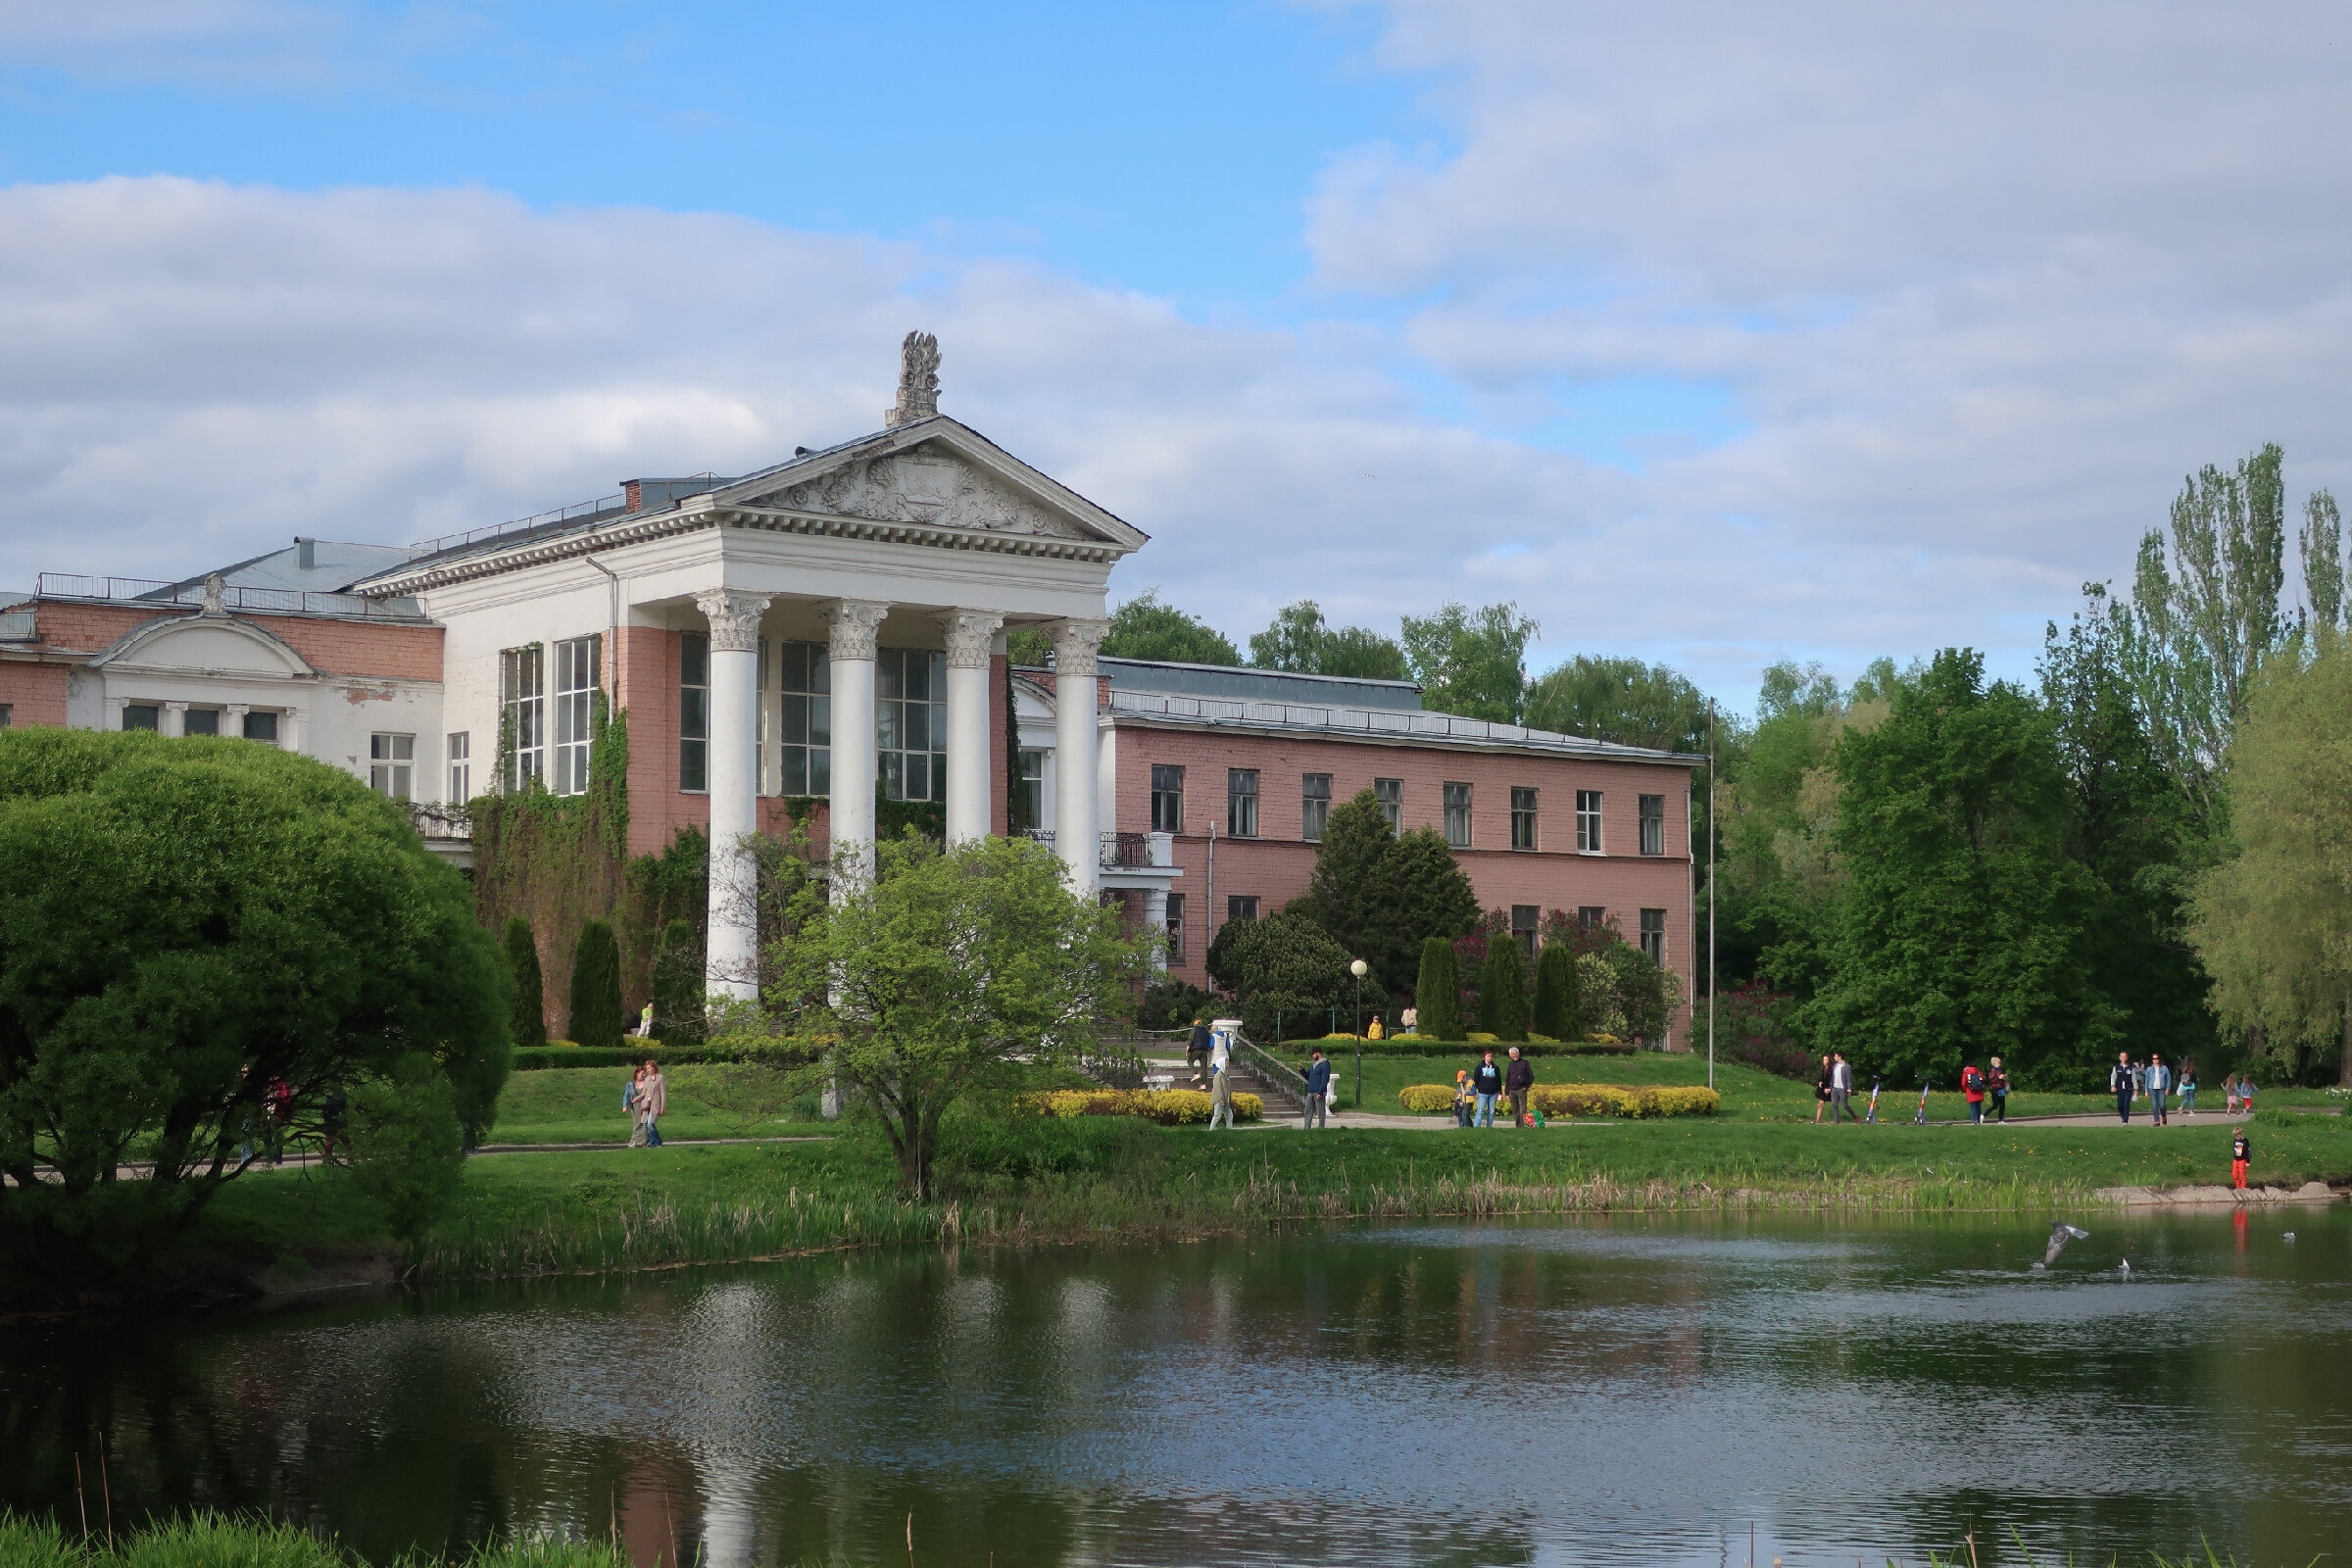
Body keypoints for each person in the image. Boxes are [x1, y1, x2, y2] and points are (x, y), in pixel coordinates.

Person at [1208, 1028, 1235, 1131]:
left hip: (1224, 1099)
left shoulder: (1225, 1074)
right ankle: (1211, 1130)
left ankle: (1229, 1130)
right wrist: (1222, 1100)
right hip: (1220, 1100)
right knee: (1217, 1116)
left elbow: (1210, 1046)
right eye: (1227, 1063)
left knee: (1229, 1115)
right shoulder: (1219, 1075)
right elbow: (1218, 1088)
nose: (1229, 1064)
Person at [639, 1058, 667, 1148]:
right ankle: (655, 1142)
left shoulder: (660, 1077)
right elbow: (644, 1093)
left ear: (654, 1068)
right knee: (647, 1124)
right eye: (647, 1068)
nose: (648, 1070)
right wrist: (637, 1099)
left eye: (650, 1068)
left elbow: (663, 1093)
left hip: (655, 1105)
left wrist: (662, 1106)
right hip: (647, 1106)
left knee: (650, 1123)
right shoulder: (647, 1079)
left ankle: (655, 1142)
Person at [1471, 1050, 1503, 1129]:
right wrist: (1475, 1091)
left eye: (1491, 1056)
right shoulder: (1479, 1067)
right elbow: (1475, 1080)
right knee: (1480, 1110)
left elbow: (1499, 1080)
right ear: (1484, 1057)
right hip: (1482, 1093)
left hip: (1493, 1093)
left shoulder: (1496, 1068)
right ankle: (1476, 1127)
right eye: (1488, 1056)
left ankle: (1489, 1127)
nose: (1489, 1058)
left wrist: (1500, 1092)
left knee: (1491, 1111)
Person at [1504, 1046, 1535, 1128]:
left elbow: (1531, 1076)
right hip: (1512, 1090)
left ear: (1519, 1053)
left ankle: (1524, 1126)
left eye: (1516, 1053)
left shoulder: (1525, 1063)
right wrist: (1506, 1093)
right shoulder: (1510, 1065)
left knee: (1522, 1110)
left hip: (1521, 1089)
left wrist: (1526, 1086)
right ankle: (1518, 1127)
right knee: (1515, 1110)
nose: (1515, 1055)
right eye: (1513, 1054)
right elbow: (1507, 1079)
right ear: (1510, 1055)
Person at [1302, 1047, 1332, 1130]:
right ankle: (1306, 1128)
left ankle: (1321, 1128)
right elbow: (1308, 1076)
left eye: (1313, 1054)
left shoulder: (1324, 1065)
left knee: (1320, 1112)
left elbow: (1324, 1079)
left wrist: (1321, 1092)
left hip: (1318, 1092)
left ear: (1318, 1053)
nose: (1312, 1056)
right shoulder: (1313, 1064)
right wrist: (1302, 1070)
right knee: (1308, 1111)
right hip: (1310, 1091)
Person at [320, 1087, 348, 1162]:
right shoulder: (342, 1098)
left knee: (329, 1143)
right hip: (337, 1123)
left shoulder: (330, 1098)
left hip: (332, 1123)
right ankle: (351, 1159)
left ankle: (326, 1160)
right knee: (345, 1142)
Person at [624, 1065, 649, 1147]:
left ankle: (644, 1141)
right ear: (637, 1073)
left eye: (645, 1074)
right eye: (642, 1073)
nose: (644, 1075)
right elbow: (626, 1095)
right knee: (636, 1123)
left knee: (644, 1123)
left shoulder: (647, 1083)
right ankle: (634, 1141)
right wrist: (625, 1106)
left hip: (644, 1105)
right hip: (634, 1106)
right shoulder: (630, 1084)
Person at [1829, 1053, 1856, 1123]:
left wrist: (1849, 1089)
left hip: (1842, 1089)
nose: (1834, 1057)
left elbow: (1848, 1079)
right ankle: (1836, 1121)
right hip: (1834, 1088)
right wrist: (1830, 1086)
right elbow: (1833, 1077)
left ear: (1840, 1057)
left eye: (1835, 1056)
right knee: (1834, 1105)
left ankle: (1855, 1116)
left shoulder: (1847, 1066)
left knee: (1845, 1105)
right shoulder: (1834, 1066)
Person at [2111, 1051, 2134, 1123]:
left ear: (2126, 1058)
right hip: (2119, 1088)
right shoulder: (2116, 1067)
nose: (2123, 1058)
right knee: (2120, 1105)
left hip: (2128, 1088)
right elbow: (2113, 1077)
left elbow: (2134, 1079)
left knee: (2126, 1104)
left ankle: (2125, 1121)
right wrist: (2113, 1086)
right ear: (2119, 1058)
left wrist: (2136, 1090)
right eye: (2122, 1057)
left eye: (2124, 1057)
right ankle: (2123, 1116)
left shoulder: (2131, 1068)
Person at [2147, 1053, 2171, 1126]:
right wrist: (2146, 1091)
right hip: (2152, 1088)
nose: (2155, 1060)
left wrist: (2168, 1089)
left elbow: (2169, 1079)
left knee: (2162, 1105)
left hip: (2162, 1089)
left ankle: (2163, 1116)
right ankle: (2156, 1121)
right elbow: (2147, 1080)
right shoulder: (2149, 1069)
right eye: (2153, 1059)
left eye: (2156, 1058)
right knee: (2154, 1105)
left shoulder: (2164, 1068)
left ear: (2159, 1059)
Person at [1187, 1018, 1212, 1082]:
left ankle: (1196, 1074)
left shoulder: (1195, 1029)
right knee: (1203, 1067)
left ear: (1195, 1024)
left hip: (1196, 1049)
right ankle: (1203, 1084)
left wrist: (1187, 1049)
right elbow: (1209, 1040)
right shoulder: (1206, 1031)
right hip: (1205, 1050)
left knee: (1190, 1061)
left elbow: (1191, 1039)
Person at [1960, 1061, 1985, 1125]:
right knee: (1978, 1108)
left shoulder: (1966, 1073)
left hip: (1971, 1092)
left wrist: (1965, 1090)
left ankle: (1974, 1121)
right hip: (1979, 1092)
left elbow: (1963, 1083)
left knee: (1972, 1108)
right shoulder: (1978, 1072)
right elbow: (1983, 1079)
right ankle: (1979, 1121)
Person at [1987, 1056, 2010, 1123]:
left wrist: (2004, 1077)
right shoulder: (1992, 1071)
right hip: (1996, 1089)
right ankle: (1984, 1115)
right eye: (1998, 1063)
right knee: (1996, 1105)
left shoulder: (1999, 1070)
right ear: (1994, 1063)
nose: (1999, 1064)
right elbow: (1992, 1080)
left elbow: (2002, 1079)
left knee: (2002, 1105)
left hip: (2001, 1089)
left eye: (2000, 1063)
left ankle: (2001, 1120)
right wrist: (1999, 1077)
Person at [1814, 1055, 1833, 1124]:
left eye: (1825, 1060)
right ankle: (1817, 1121)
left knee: (1835, 1104)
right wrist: (1820, 1082)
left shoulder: (1832, 1070)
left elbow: (1834, 1080)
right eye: (1823, 1060)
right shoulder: (1823, 1069)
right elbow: (1822, 1078)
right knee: (1821, 1103)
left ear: (1829, 1061)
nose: (1823, 1061)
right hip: (1824, 1088)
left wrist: (1830, 1089)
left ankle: (1837, 1120)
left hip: (1831, 1089)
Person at [2231, 1125, 2251, 1190]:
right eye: (2236, 1136)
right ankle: (2238, 1185)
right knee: (2234, 1174)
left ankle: (2243, 1188)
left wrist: (2248, 1161)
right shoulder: (2235, 1141)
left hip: (2242, 1160)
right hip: (2236, 1160)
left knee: (2242, 1174)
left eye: (2238, 1135)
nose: (2237, 1137)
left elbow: (2248, 1151)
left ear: (2241, 1134)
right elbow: (2236, 1151)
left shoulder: (2245, 1141)